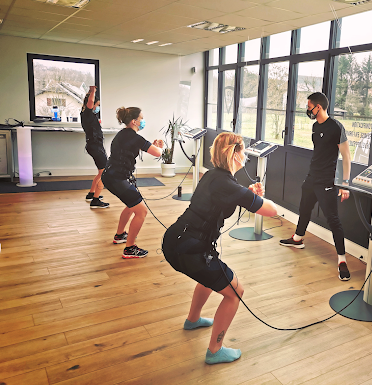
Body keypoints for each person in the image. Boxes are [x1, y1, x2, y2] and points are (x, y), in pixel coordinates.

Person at [162, 132, 277, 365]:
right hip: (190, 251)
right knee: (235, 292)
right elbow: (271, 211)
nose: (245, 156)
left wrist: (247, 195)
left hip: (175, 241)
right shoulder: (227, 184)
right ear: (234, 154)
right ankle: (215, 351)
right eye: (242, 151)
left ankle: (193, 320)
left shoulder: (212, 176)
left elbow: (224, 197)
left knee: (207, 277)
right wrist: (257, 199)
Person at [279, 92, 352, 281]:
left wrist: (345, 184)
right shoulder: (315, 126)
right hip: (312, 177)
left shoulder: (336, 127)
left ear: (318, 107)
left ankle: (342, 260)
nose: (308, 110)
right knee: (304, 209)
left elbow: (346, 156)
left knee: (333, 220)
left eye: (309, 106)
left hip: (326, 181)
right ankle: (297, 239)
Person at [102, 107, 164, 259]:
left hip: (111, 176)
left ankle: (120, 235)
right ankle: (129, 248)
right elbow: (157, 153)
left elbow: (133, 147)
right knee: (141, 211)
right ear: (134, 121)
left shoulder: (123, 134)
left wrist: (153, 146)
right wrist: (159, 148)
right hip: (117, 179)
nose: (143, 121)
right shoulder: (135, 137)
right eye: (141, 118)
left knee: (132, 205)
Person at [81, 86, 109, 209]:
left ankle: (91, 194)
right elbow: (90, 101)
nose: (98, 107)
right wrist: (93, 91)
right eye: (97, 105)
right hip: (95, 147)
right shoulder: (87, 113)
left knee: (100, 172)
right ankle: (95, 200)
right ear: (91, 104)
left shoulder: (88, 115)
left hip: (95, 146)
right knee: (104, 173)